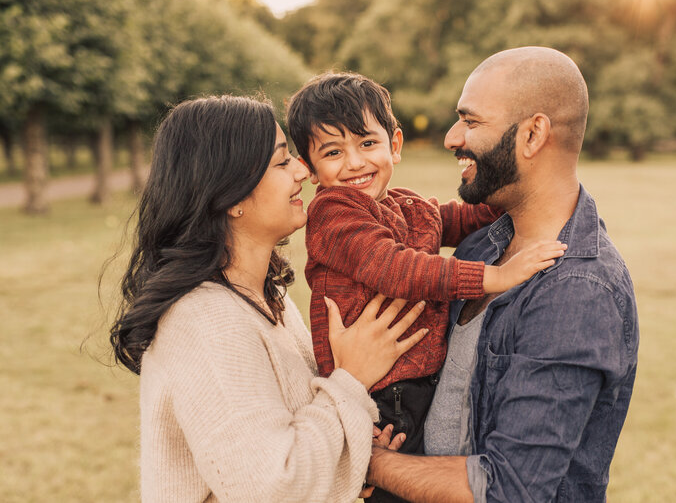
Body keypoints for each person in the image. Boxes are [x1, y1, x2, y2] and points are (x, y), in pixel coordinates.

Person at [108, 95, 430, 502]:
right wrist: (352, 379)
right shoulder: (204, 320)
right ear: (231, 195)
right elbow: (273, 488)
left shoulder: (267, 299)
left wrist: (357, 451)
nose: (302, 170)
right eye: (282, 162)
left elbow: (292, 433)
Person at [366, 47, 639, 502]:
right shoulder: (482, 246)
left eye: (471, 122)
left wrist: (370, 461)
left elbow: (509, 489)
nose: (453, 137)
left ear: (533, 135)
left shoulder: (577, 291)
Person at [286, 73, 566, 502]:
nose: (355, 162)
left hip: (414, 385)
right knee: (398, 486)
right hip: (381, 396)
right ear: (307, 165)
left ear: (394, 144)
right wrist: (495, 277)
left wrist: (523, 193)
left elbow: (458, 217)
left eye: (366, 144)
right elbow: (398, 268)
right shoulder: (333, 213)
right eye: (332, 152)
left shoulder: (405, 204)